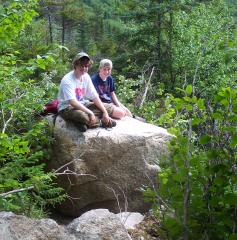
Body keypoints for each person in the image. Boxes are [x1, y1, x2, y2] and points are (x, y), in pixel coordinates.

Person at [57, 52, 117, 132]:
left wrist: (105, 112)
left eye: (86, 66)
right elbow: (73, 102)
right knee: (82, 116)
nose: (84, 68)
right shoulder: (67, 80)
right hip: (66, 108)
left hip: (82, 103)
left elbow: (95, 97)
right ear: (75, 65)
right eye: (81, 65)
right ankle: (101, 122)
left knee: (109, 108)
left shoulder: (86, 77)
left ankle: (82, 123)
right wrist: (90, 113)